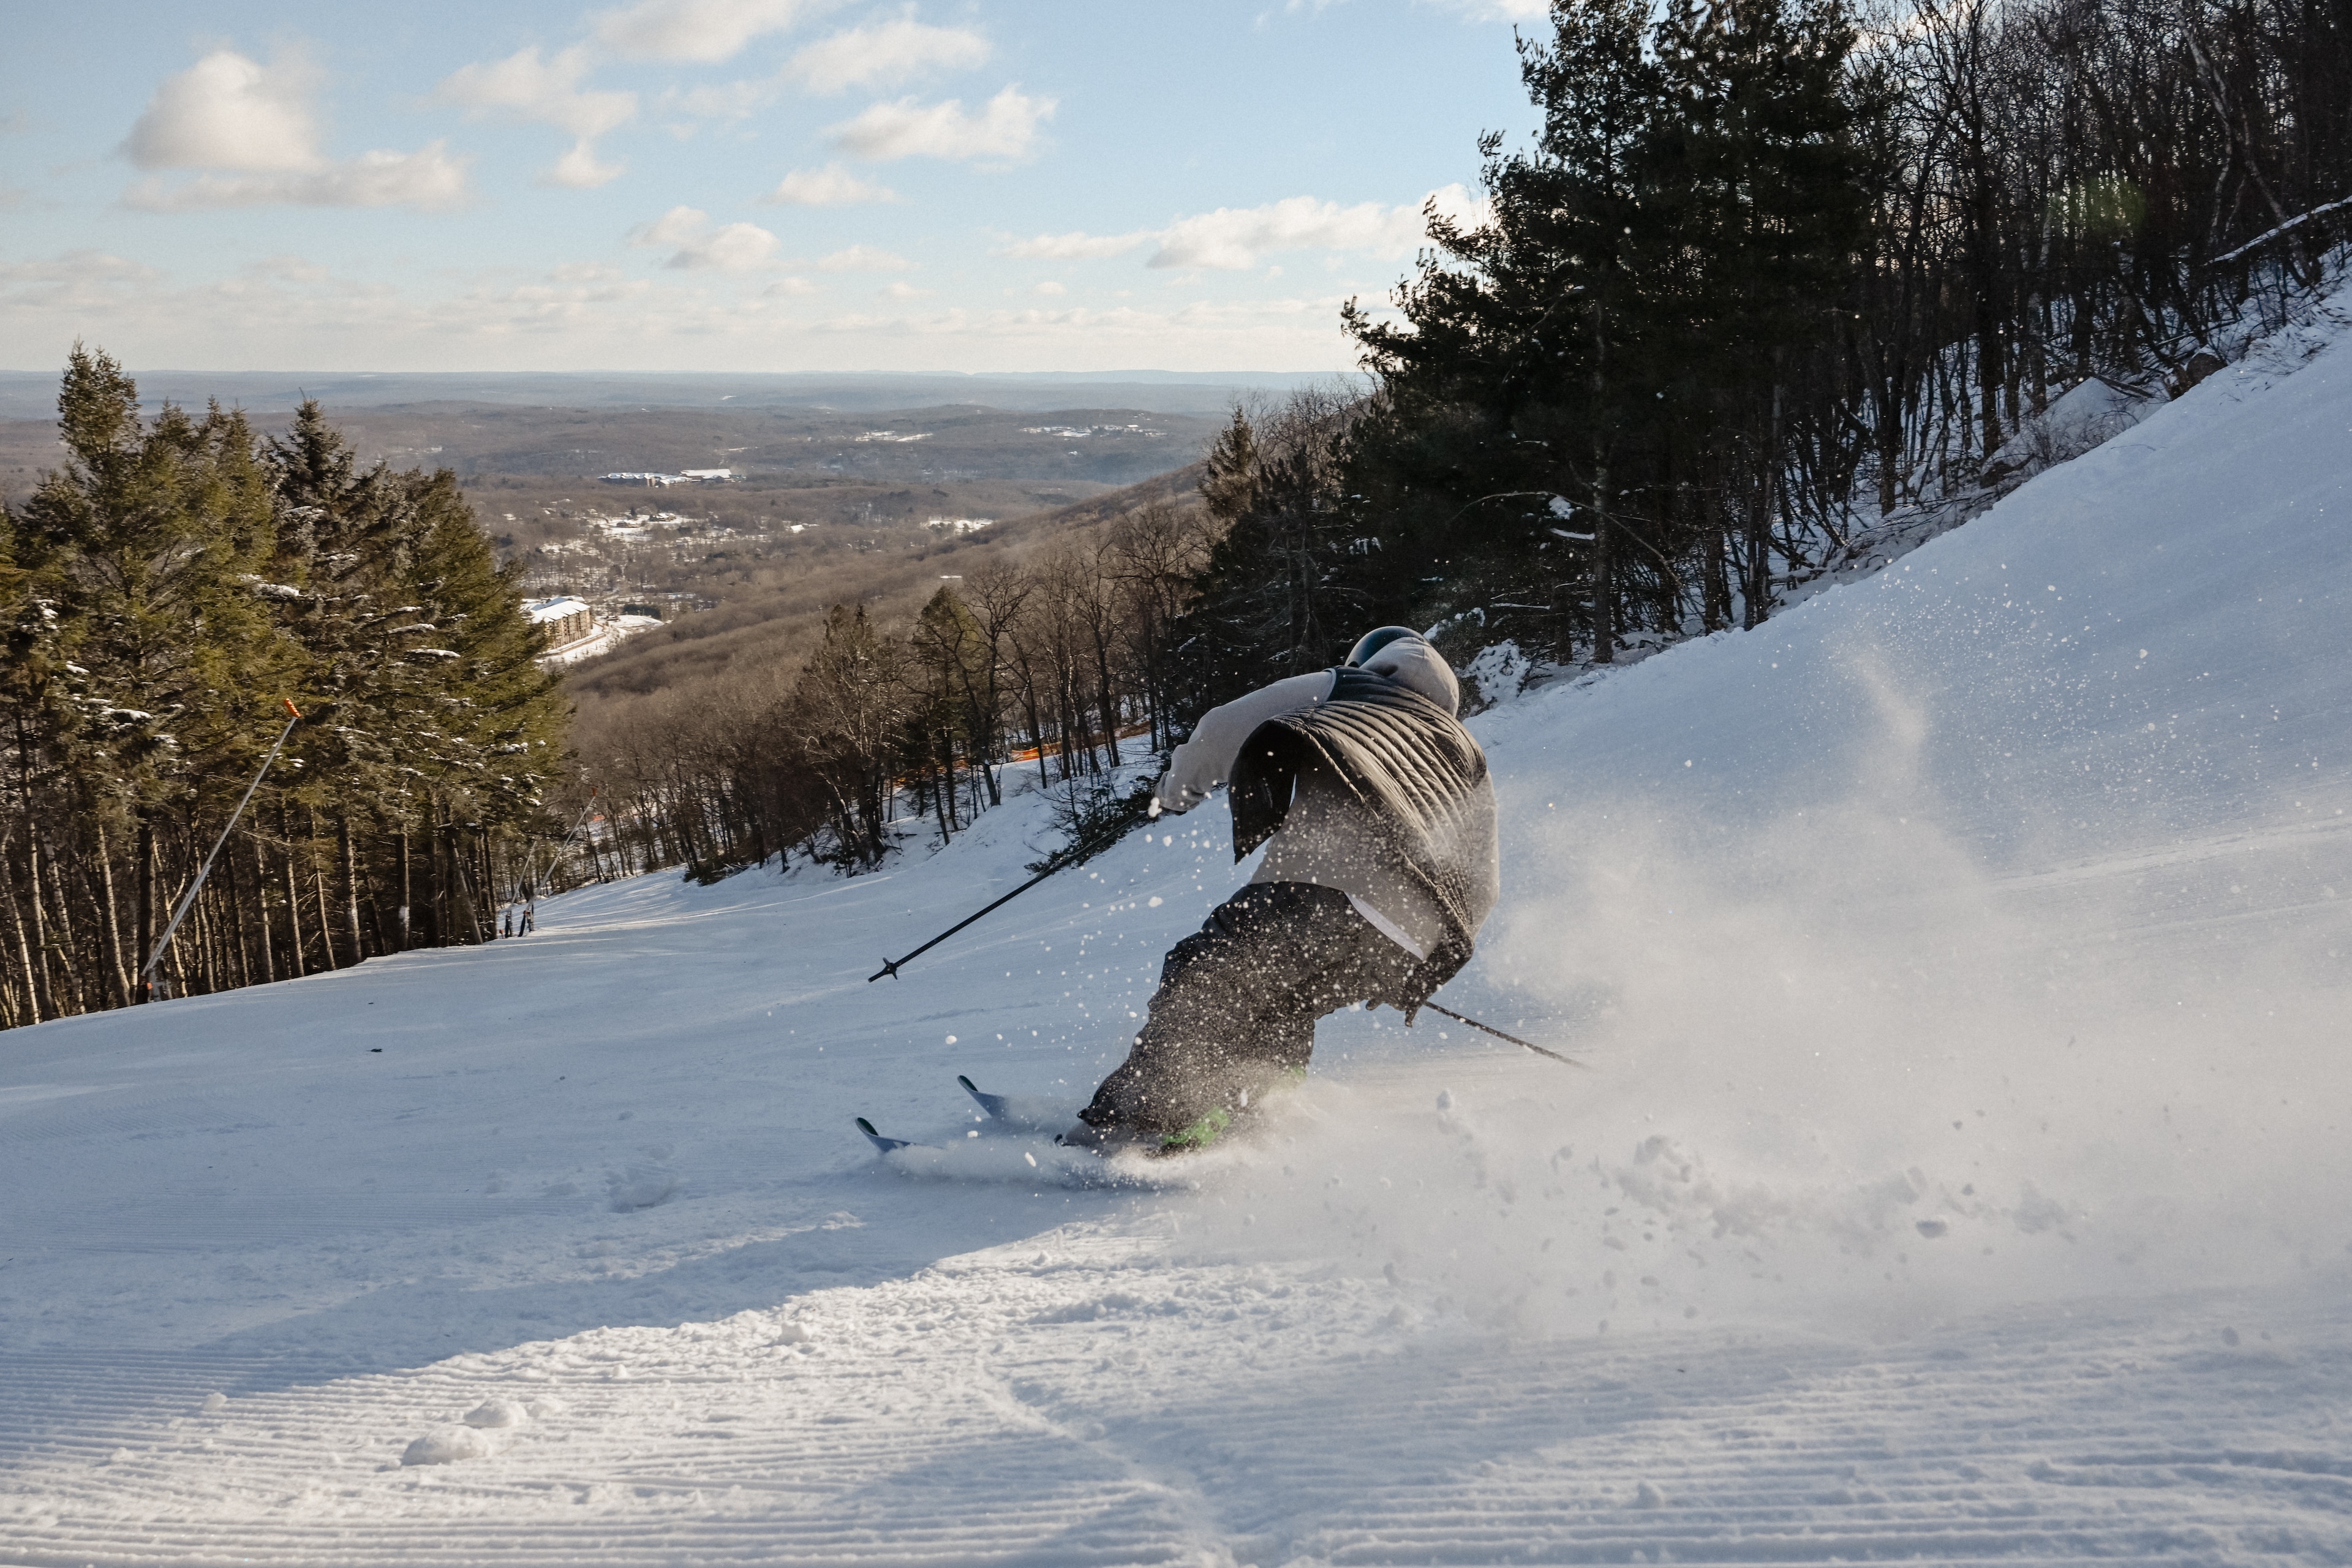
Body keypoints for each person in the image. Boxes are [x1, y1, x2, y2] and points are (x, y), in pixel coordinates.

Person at [1065, 626, 1500, 1153]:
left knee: (1206, 981)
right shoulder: (1464, 749)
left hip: (1318, 894)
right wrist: (1418, 963)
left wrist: (1176, 792)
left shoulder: (1355, 688)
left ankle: (1133, 1127)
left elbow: (1222, 730)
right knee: (1282, 1007)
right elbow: (1483, 881)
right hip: (1408, 940)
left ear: (1371, 662)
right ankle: (1247, 1117)